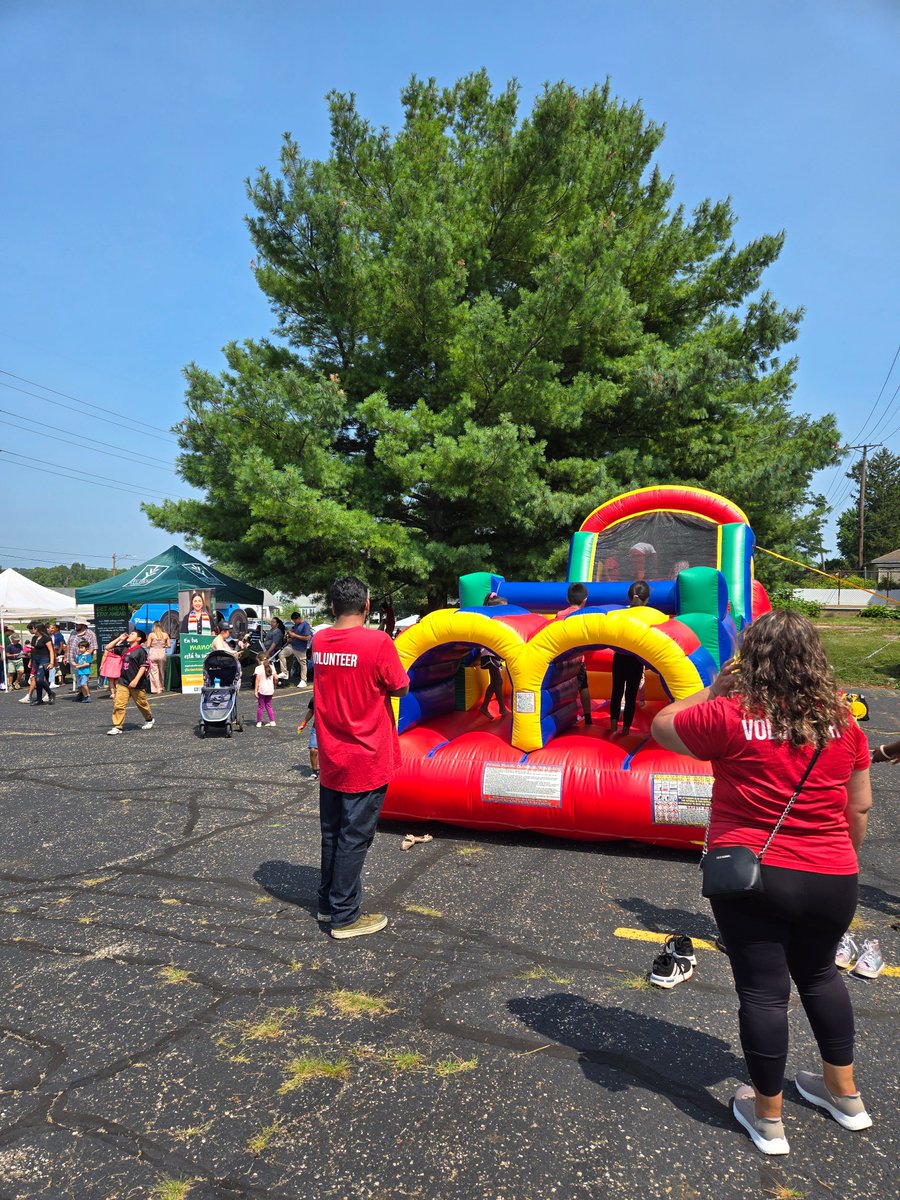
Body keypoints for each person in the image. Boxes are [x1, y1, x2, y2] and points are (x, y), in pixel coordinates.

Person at [651, 611, 873, 1156]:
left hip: (756, 871)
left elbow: (661, 727)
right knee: (821, 976)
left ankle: (768, 1117)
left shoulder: (729, 714)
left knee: (763, 991)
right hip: (833, 871)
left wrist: (708, 689)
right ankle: (846, 1098)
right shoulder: (843, 724)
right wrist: (839, 860)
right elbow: (859, 806)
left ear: (750, 660)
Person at [312, 575, 409, 939]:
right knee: (355, 837)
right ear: (367, 605)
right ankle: (346, 916)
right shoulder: (378, 641)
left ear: (332, 606)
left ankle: (327, 903)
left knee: (332, 833)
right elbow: (399, 685)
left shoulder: (320, 640)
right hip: (366, 754)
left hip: (332, 753)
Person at [609, 581, 650, 736]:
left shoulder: (621, 613)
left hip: (619, 657)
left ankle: (613, 726)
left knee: (616, 692)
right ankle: (626, 729)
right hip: (635, 660)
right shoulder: (648, 615)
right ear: (646, 599)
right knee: (631, 695)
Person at [556, 582, 593, 726]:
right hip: (578, 659)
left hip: (562, 658)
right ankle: (587, 716)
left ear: (567, 599)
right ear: (585, 600)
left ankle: (564, 714)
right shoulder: (584, 615)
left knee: (563, 687)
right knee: (583, 686)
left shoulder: (560, 615)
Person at [105, 629, 154, 735]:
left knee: (141, 703)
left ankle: (149, 718)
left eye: (132, 634)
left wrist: (136, 680)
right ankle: (118, 726)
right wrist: (119, 638)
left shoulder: (141, 650)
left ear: (139, 638)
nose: (129, 635)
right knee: (119, 704)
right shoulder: (124, 649)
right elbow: (107, 648)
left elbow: (143, 666)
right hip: (123, 681)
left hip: (136, 682)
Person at [479, 592, 510, 720]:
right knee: (497, 680)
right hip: (489, 653)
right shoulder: (490, 620)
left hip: (493, 653)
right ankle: (501, 708)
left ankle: (486, 707)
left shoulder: (497, 620)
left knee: (497, 681)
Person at [280, 611, 313, 687]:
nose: (294, 622)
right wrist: (290, 637)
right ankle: (285, 673)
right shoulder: (296, 625)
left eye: (294, 620)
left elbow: (307, 638)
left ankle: (303, 680)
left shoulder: (305, 626)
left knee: (302, 664)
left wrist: (295, 635)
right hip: (293, 645)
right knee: (281, 654)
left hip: (300, 648)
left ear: (298, 618)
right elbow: (294, 634)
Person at [67, 620, 97, 694]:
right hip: (73, 659)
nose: (76, 625)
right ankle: (80, 693)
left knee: (83, 677)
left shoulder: (90, 634)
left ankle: (85, 694)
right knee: (76, 677)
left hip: (83, 660)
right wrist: (65, 656)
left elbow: (93, 647)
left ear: (83, 624)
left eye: (77, 624)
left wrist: (85, 657)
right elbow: (69, 645)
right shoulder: (73, 632)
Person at [30, 622, 56, 706]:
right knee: (37, 680)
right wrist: (31, 660)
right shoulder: (34, 638)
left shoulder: (46, 638)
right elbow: (34, 649)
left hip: (44, 659)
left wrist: (51, 662)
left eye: (32, 628)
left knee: (40, 679)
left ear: (36, 629)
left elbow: (51, 650)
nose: (30, 630)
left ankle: (50, 693)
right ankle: (39, 699)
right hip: (35, 659)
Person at [146, 621, 172, 694]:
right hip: (162, 653)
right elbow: (169, 645)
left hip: (153, 653)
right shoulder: (165, 635)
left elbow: (148, 645)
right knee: (161, 671)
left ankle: (155, 688)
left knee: (154, 672)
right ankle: (161, 687)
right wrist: (164, 645)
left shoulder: (151, 635)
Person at [254, 652, 277, 727]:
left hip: (262, 689)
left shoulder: (258, 668)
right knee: (268, 705)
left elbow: (257, 679)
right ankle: (272, 721)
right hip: (270, 689)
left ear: (259, 660)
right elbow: (276, 678)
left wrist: (255, 690)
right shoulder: (272, 667)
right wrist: (274, 686)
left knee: (261, 706)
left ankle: (259, 722)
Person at [298, 696, 318, 779]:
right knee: (313, 749)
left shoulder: (337, 697)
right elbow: (311, 711)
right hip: (317, 727)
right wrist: (303, 724)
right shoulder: (315, 699)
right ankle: (314, 772)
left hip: (333, 728)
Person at [48, 622, 65, 688]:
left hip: (57, 652)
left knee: (58, 666)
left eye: (53, 628)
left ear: (57, 629)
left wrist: (59, 652)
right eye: (51, 628)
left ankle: (60, 680)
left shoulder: (59, 635)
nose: (52, 629)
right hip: (53, 651)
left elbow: (61, 644)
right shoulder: (52, 635)